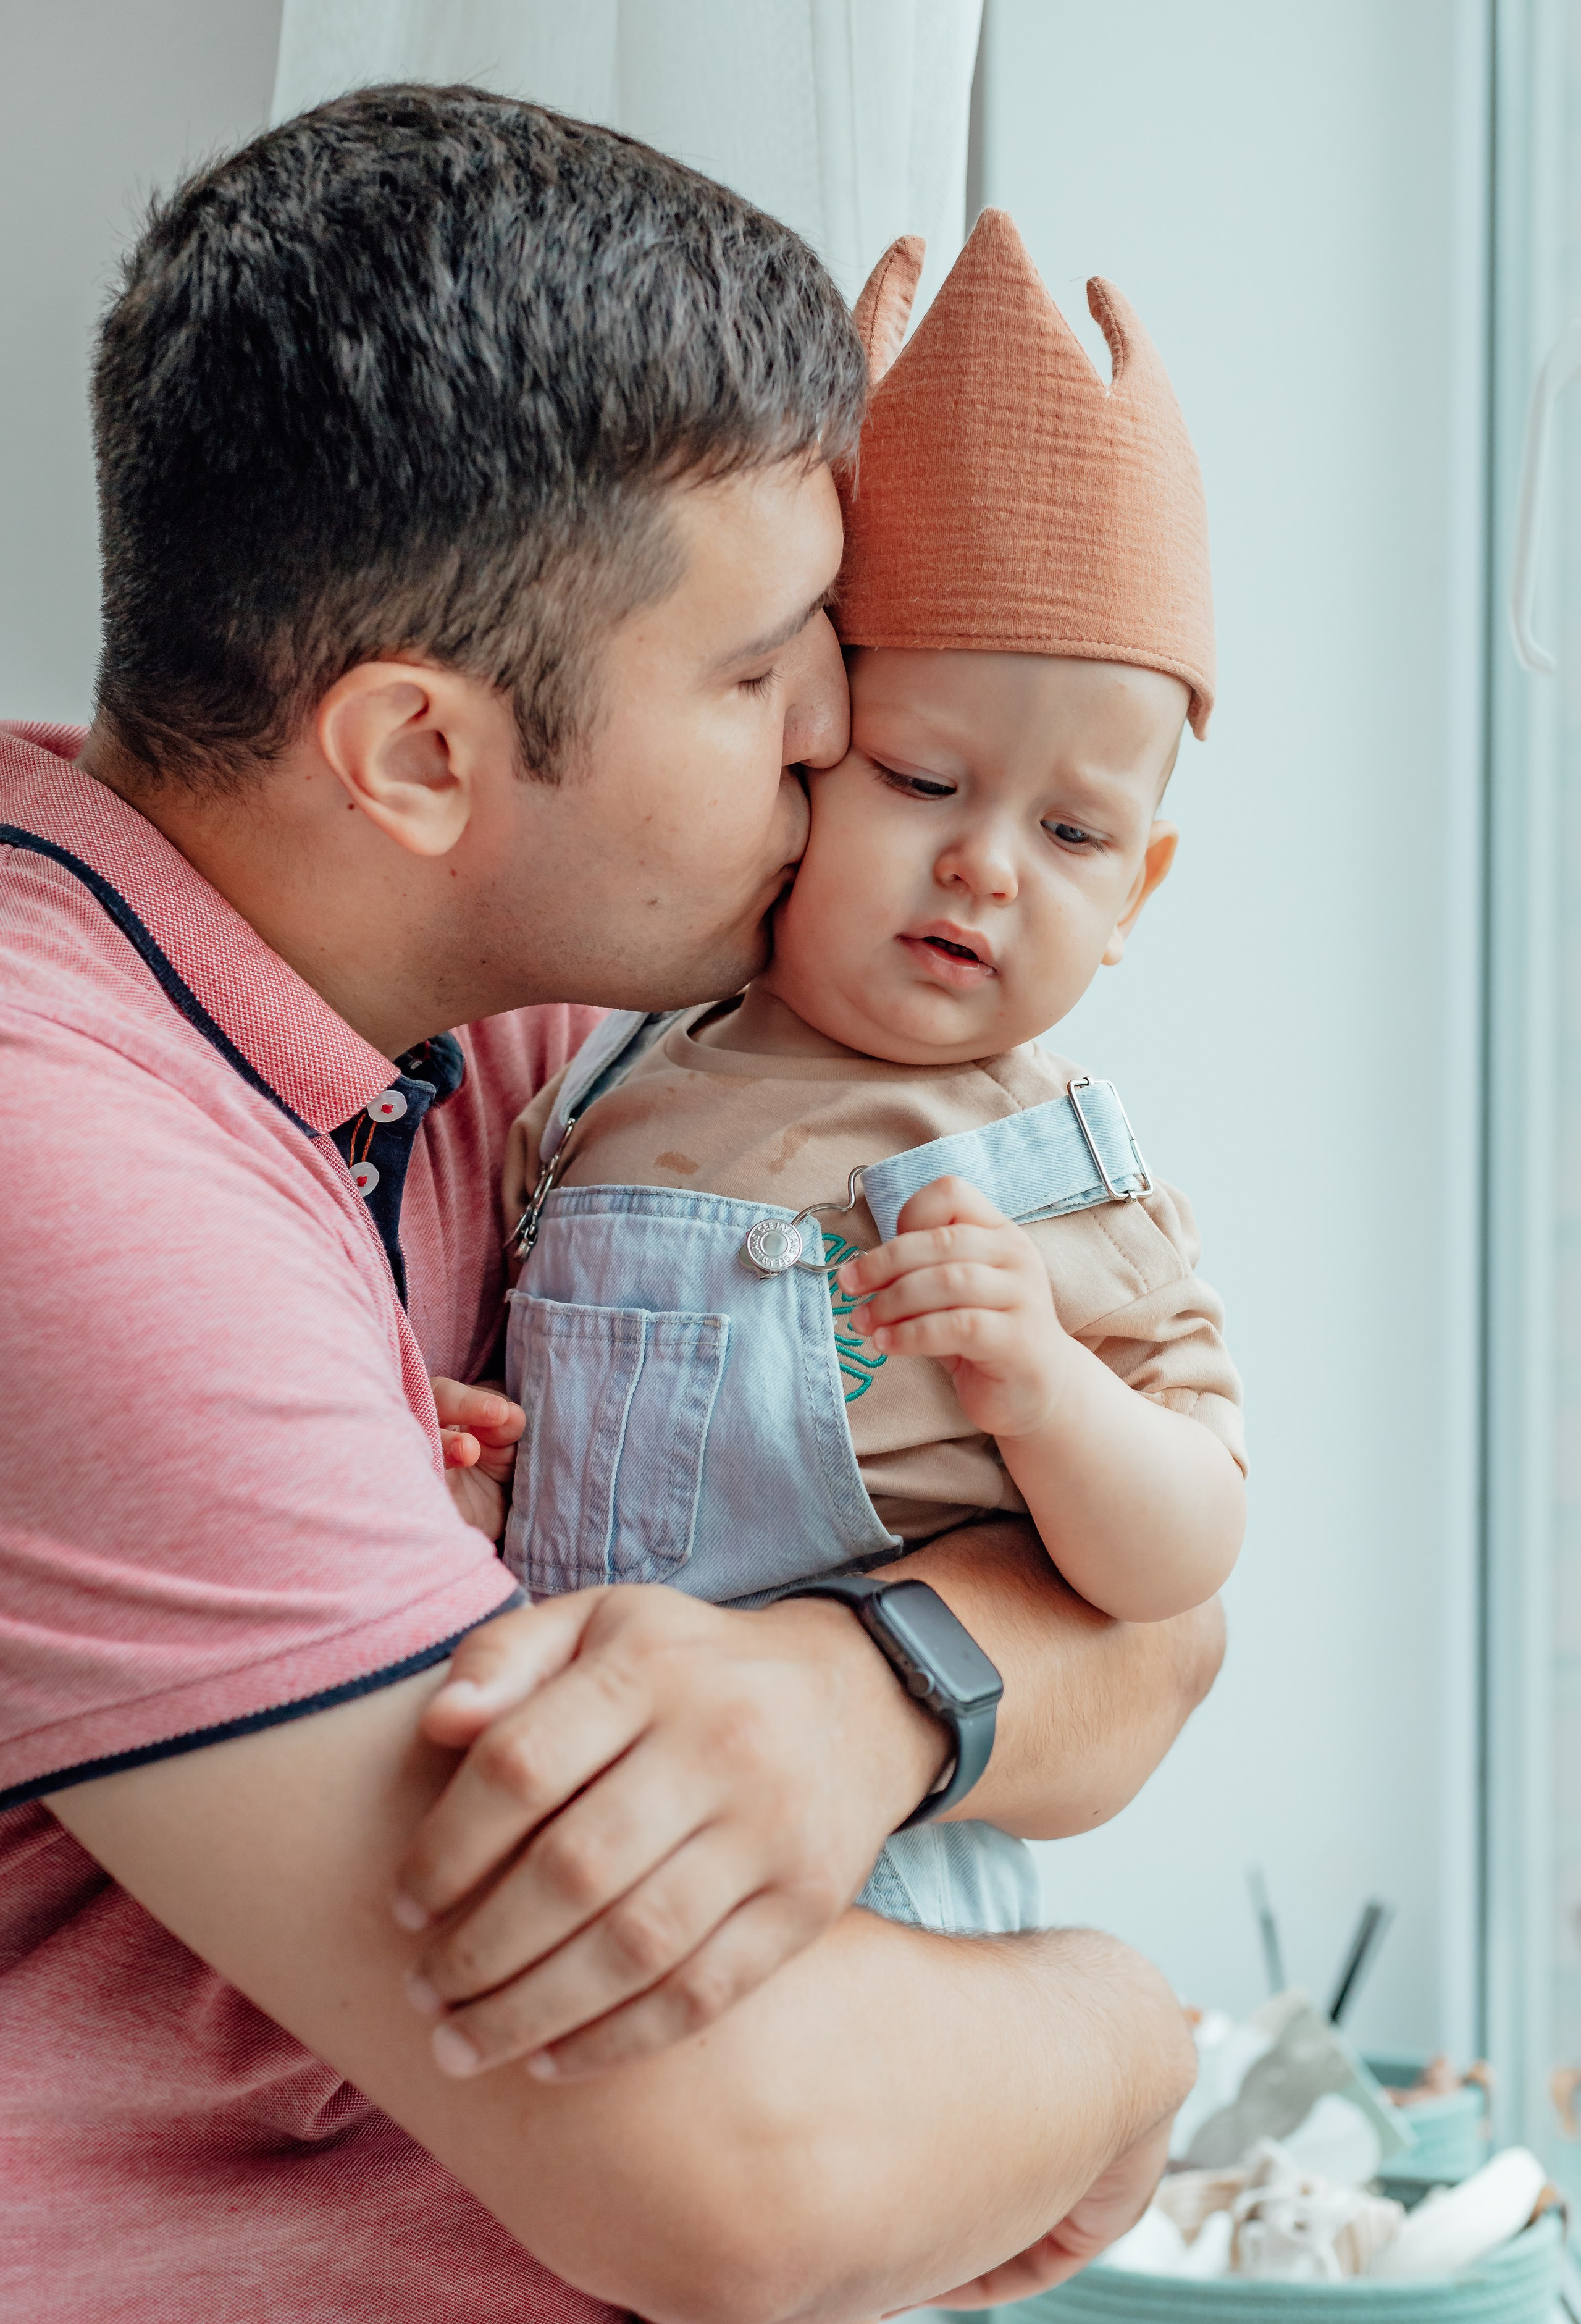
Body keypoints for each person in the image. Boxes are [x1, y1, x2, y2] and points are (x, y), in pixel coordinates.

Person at [0, 88, 1217, 2324]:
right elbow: (744, 2173)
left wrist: (854, 1694)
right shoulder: (57, 1162)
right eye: (762, 668)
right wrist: (1137, 2041)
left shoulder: (545, 1027)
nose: (840, 726)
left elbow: (1158, 1608)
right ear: (424, 755)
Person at [403, 213, 1244, 1989]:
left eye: (1074, 831)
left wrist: (1044, 1390)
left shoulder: (1061, 1182)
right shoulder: (615, 1073)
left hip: (873, 1882)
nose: (986, 865)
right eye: (922, 775)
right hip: (566, 1781)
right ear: (798, 760)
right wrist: (493, 1469)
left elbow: (1186, 1554)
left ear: (1145, 891)